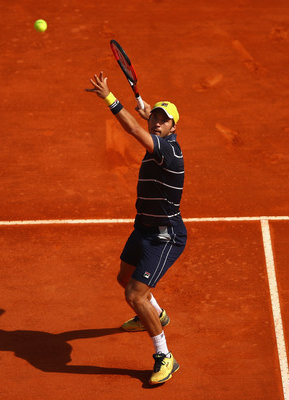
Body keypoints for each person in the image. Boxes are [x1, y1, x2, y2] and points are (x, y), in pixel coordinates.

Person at [86, 71, 187, 385]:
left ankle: (164, 356)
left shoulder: (168, 152)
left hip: (165, 236)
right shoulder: (160, 137)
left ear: (173, 128)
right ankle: (157, 314)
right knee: (124, 277)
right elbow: (144, 117)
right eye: (154, 118)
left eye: (163, 120)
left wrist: (109, 97)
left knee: (134, 294)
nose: (156, 122)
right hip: (143, 227)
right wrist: (148, 110)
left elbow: (131, 126)